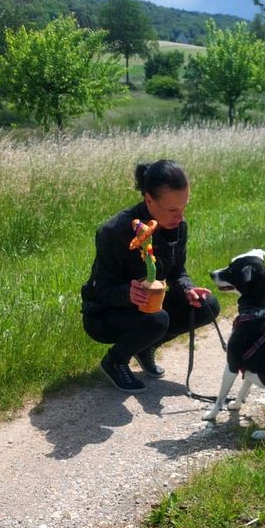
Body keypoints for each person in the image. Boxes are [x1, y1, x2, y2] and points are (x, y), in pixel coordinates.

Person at [81, 159, 220, 392]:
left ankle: (145, 347)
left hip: (151, 308)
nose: (180, 216)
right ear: (148, 200)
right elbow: (101, 291)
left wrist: (188, 290)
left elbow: (178, 272)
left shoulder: (177, 226)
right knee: (157, 318)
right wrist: (129, 293)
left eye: (184, 207)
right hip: (104, 315)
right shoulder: (114, 231)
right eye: (173, 210)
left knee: (207, 305)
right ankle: (115, 361)